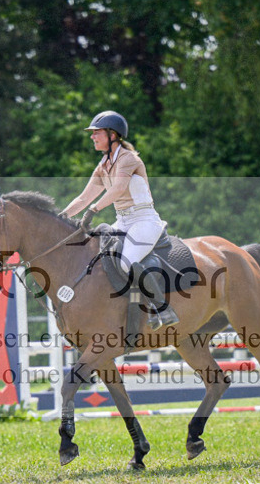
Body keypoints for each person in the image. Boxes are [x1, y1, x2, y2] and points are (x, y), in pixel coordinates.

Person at [60, 110, 178, 328]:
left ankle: (162, 308)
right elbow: (84, 197)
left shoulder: (128, 159)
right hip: (123, 222)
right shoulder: (104, 165)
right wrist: (62, 216)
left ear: (112, 134)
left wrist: (93, 211)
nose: (92, 137)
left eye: (97, 133)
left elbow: (118, 189)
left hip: (144, 221)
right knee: (95, 254)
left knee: (127, 262)